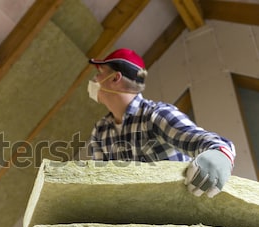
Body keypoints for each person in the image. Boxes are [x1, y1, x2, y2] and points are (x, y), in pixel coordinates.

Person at [87, 48, 235, 198]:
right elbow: (101, 184)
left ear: (114, 78)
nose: (95, 80)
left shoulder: (155, 115)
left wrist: (219, 154)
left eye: (99, 72)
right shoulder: (100, 131)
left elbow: (204, 140)